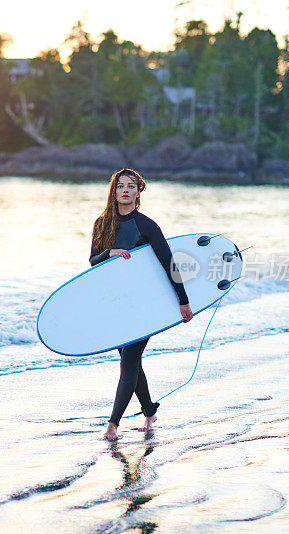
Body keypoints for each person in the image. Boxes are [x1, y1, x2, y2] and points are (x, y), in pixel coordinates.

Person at [89, 168, 194, 439]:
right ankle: (149, 411)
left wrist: (183, 301)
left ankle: (113, 424)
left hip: (145, 306)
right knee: (131, 362)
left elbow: (169, 264)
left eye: (131, 186)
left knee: (129, 363)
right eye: (120, 186)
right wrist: (109, 253)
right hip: (115, 303)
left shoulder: (147, 226)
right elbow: (92, 261)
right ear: (113, 191)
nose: (125, 190)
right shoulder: (102, 224)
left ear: (139, 191)